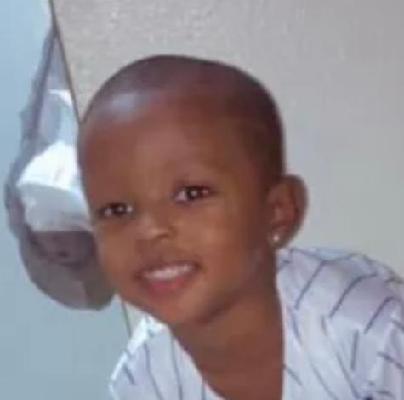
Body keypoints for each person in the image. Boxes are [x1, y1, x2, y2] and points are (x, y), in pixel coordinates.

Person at [78, 55, 404, 400]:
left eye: (191, 194)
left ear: (276, 212)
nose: (149, 229)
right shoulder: (142, 379)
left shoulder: (369, 329)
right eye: (116, 210)